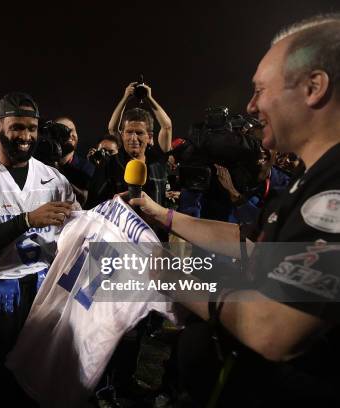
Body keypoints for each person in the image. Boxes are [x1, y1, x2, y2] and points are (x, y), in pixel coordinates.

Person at [131, 14, 340, 406]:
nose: (251, 105)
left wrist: (173, 278)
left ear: (314, 88)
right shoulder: (314, 177)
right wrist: (164, 215)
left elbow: (273, 327)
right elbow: (249, 239)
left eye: (260, 89)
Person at [0, 92, 77, 405]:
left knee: (36, 380)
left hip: (42, 290)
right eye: (17, 127)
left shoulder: (54, 179)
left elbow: (76, 233)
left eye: (32, 128)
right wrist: (26, 220)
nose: (25, 136)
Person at [54, 116, 95, 205]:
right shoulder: (43, 166)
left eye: (72, 130)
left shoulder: (88, 169)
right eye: (64, 130)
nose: (70, 134)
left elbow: (85, 201)